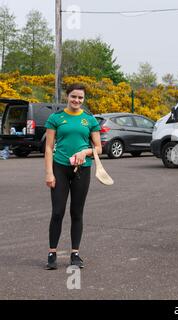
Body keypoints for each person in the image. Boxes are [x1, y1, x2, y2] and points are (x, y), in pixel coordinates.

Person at [44, 83, 101, 270]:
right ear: (67, 97)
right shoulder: (56, 118)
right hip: (60, 167)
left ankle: (75, 254)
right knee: (57, 212)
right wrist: (49, 172)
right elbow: (49, 147)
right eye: (73, 97)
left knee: (77, 213)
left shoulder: (89, 120)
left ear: (83, 100)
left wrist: (85, 152)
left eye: (80, 98)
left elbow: (99, 148)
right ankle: (52, 253)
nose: (76, 100)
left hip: (82, 170)